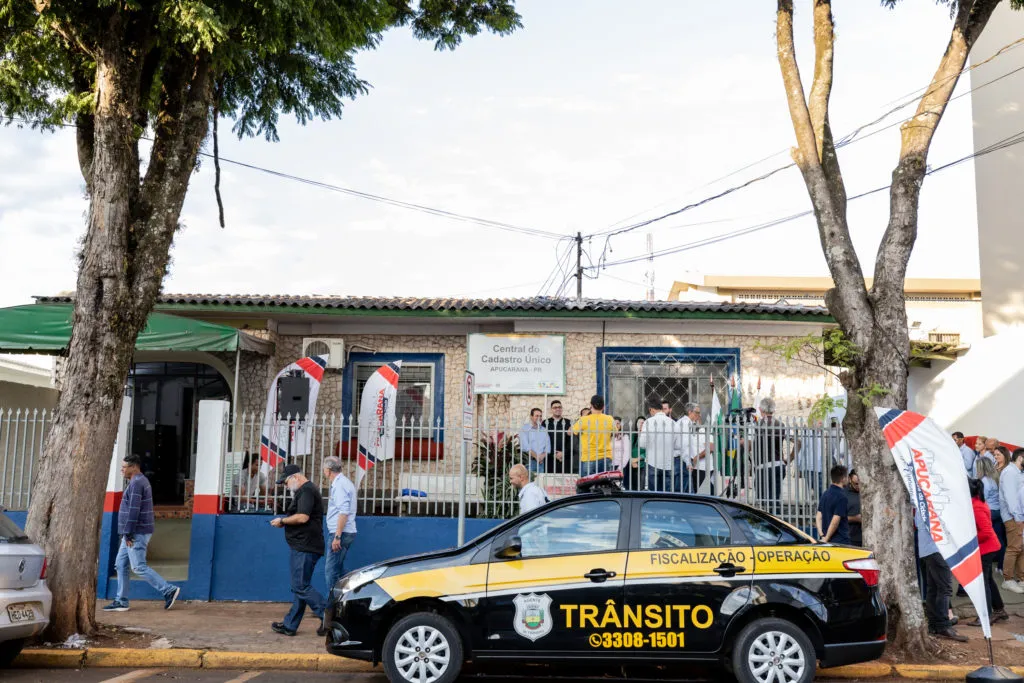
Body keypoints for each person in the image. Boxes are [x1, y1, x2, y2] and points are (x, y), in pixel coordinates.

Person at [103, 454, 181, 612]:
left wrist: (129, 533)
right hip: (131, 533)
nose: (122, 470)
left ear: (133, 467)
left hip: (135, 533)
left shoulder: (137, 482)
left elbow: (134, 510)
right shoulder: (137, 481)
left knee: (138, 567)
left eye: (124, 467)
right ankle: (122, 601)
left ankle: (168, 590)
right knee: (120, 564)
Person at [270, 464, 327, 637]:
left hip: (306, 546)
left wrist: (283, 521)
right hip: (304, 545)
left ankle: (329, 617)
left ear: (295, 477)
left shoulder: (306, 491)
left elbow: (302, 517)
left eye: (286, 482)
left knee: (300, 586)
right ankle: (290, 625)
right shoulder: (305, 491)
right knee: (300, 587)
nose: (286, 486)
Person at [916, 506, 967, 641]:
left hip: (927, 549)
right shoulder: (931, 504)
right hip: (937, 549)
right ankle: (943, 625)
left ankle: (934, 624)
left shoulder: (921, 504)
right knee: (944, 588)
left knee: (934, 589)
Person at [967, 478, 1009, 627]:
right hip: (988, 547)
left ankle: (986, 615)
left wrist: (970, 540)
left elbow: (985, 531)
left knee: (983, 582)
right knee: (988, 580)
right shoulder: (978, 502)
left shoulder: (976, 507)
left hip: (987, 548)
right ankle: (998, 609)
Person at [752, 398, 793, 515]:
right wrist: (788, 460)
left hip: (762, 467)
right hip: (778, 466)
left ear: (760, 410)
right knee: (774, 499)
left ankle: (766, 524)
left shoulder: (757, 425)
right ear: (774, 410)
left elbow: (750, 444)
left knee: (762, 500)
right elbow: (798, 442)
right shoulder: (781, 424)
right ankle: (776, 523)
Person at [322, 456, 357, 594]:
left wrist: (337, 536)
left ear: (328, 470)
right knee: (340, 570)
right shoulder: (342, 483)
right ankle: (352, 597)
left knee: (330, 571)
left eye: (324, 468)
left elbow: (343, 512)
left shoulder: (340, 485)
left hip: (341, 533)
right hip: (344, 532)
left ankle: (333, 606)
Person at [639, 399, 681, 492]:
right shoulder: (673, 423)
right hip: (668, 463)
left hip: (652, 462)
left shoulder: (648, 422)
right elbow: (678, 446)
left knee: (653, 494)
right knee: (666, 496)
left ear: (651, 410)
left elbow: (642, 444)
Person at [998, 448, 1024, 594]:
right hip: (1013, 517)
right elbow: (1010, 497)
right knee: (1014, 548)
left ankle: (1021, 579)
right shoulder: (1009, 473)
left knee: (1021, 548)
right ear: (1021, 458)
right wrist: (1017, 517)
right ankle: (1007, 580)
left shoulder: (1019, 472)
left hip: (1020, 516)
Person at [571, 395, 615, 477]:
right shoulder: (609, 419)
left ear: (591, 405)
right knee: (604, 486)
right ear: (603, 406)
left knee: (587, 486)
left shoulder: (584, 420)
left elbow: (571, 432)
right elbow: (615, 433)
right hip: (606, 457)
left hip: (588, 458)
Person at [978, 455, 1006, 573]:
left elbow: (982, 498)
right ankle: (1001, 565)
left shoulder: (984, 481)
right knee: (1000, 540)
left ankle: (984, 565)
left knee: (986, 538)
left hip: (989, 512)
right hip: (998, 511)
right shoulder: (995, 478)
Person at [679, 403, 712, 495]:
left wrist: (693, 459)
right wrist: (688, 461)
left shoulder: (695, 426)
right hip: (686, 462)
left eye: (699, 413)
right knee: (688, 490)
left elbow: (710, 448)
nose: (699, 415)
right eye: (697, 412)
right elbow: (684, 445)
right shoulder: (686, 424)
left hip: (693, 463)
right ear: (690, 412)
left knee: (692, 490)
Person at [816, 465, 850, 545]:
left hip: (826, 540)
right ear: (843, 478)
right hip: (840, 541)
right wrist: (827, 538)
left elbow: (818, 516)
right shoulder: (842, 497)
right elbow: (835, 520)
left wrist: (822, 535)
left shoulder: (825, 493)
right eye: (847, 476)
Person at [542, 400, 574, 475]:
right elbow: (543, 441)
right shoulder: (545, 423)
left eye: (559, 407)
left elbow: (572, 440)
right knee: (549, 482)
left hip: (565, 458)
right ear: (551, 410)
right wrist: (554, 453)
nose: (557, 409)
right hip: (550, 458)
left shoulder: (568, 422)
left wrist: (564, 453)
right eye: (555, 407)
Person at [518, 408, 550, 474]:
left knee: (540, 483)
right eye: (537, 416)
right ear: (531, 417)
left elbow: (548, 447)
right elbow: (525, 446)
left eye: (540, 416)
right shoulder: (525, 429)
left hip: (541, 463)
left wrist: (542, 457)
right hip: (528, 461)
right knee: (528, 482)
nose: (539, 418)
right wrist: (536, 457)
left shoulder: (544, 430)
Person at [627, 416, 646, 491]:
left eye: (643, 422)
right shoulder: (633, 435)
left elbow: (648, 451)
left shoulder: (647, 435)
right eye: (639, 422)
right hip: (632, 464)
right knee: (632, 487)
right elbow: (628, 449)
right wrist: (631, 460)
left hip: (642, 464)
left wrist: (636, 459)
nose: (641, 424)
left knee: (640, 487)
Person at [846, 469, 863, 547]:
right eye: (856, 484)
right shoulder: (843, 494)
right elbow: (836, 518)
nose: (859, 486)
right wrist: (855, 518)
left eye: (861, 484)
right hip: (851, 539)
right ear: (849, 479)